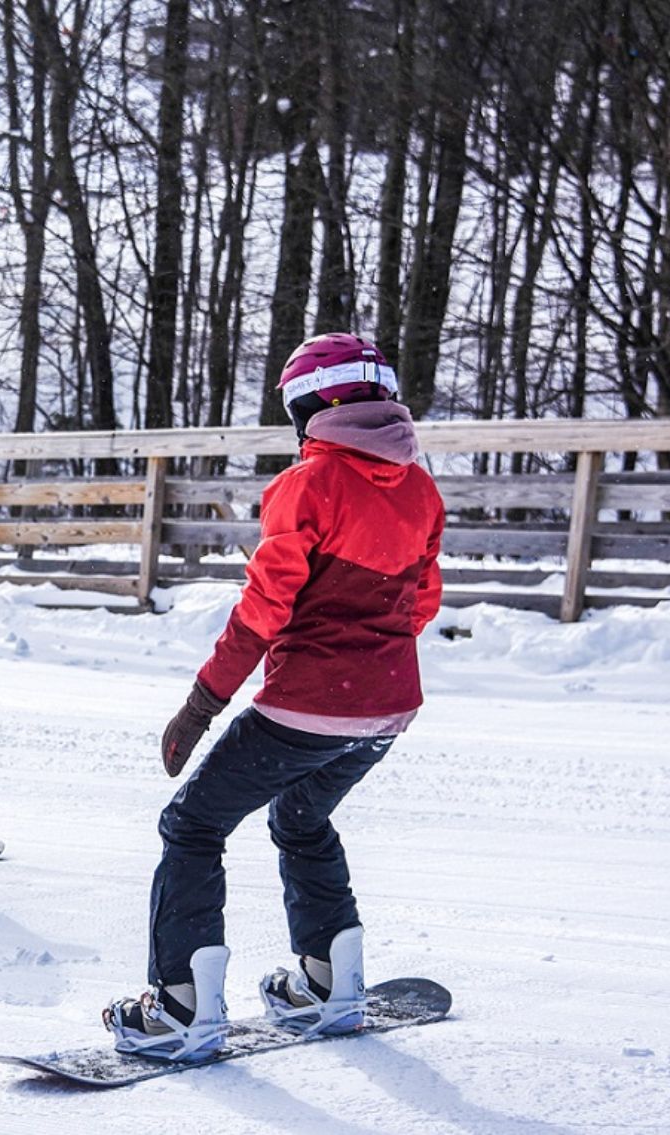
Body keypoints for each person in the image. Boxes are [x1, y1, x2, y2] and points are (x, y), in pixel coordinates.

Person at [103, 332, 445, 1061]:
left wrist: (201, 704)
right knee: (301, 814)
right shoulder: (420, 485)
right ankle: (332, 983)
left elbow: (264, 611)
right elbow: (423, 602)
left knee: (191, 826)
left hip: (309, 705)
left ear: (309, 405)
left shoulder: (307, 484)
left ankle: (179, 1007)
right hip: (387, 708)